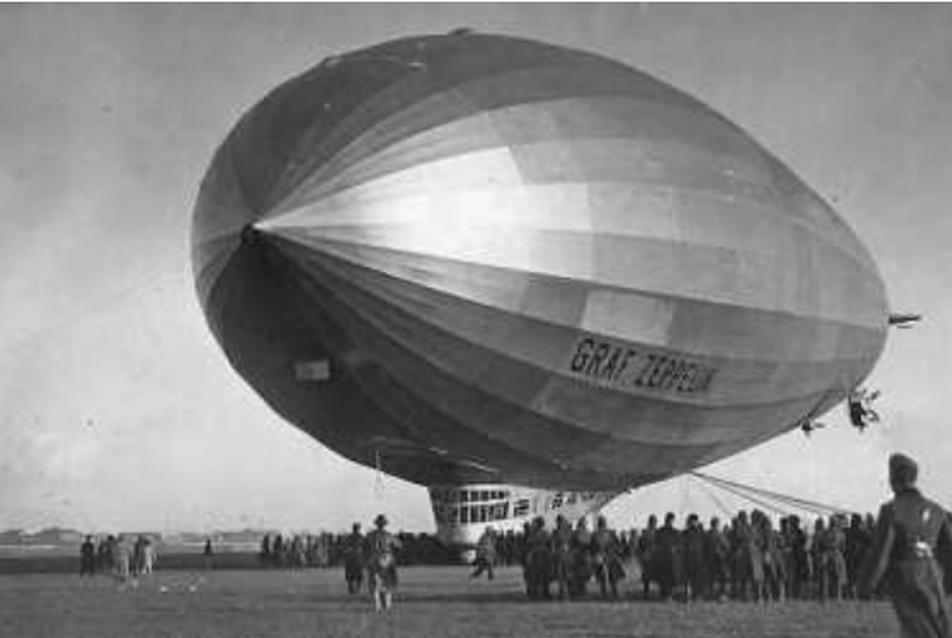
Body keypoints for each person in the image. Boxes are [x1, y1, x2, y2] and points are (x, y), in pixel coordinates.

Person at [859, 453, 952, 638]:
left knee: (916, 630)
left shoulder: (890, 510)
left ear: (893, 478)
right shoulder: (937, 509)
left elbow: (881, 554)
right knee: (938, 628)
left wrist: (866, 587)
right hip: (933, 575)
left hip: (905, 578)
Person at [366, 514, 402, 612]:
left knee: (374, 582)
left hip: (374, 557)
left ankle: (378, 606)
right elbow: (399, 545)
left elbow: (365, 546)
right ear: (384, 524)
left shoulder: (370, 535)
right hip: (386, 557)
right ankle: (388, 605)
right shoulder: (388, 534)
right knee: (389, 582)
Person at [342, 523, 366, 594]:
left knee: (354, 575)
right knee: (354, 575)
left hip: (355, 558)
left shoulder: (359, 537)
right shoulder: (359, 537)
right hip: (354, 558)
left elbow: (365, 547)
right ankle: (354, 589)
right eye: (356, 528)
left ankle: (354, 589)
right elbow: (345, 547)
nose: (356, 529)